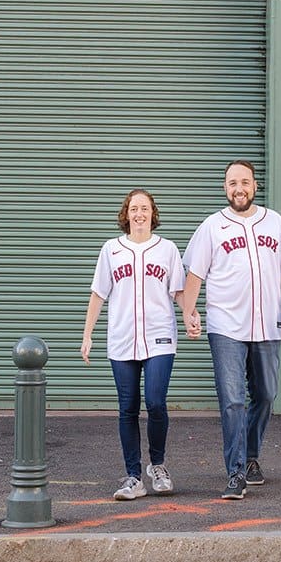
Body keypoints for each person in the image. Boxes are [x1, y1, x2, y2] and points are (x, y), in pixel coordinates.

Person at [181, 159, 281, 500]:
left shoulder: (274, 223)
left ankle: (250, 456)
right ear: (225, 188)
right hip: (226, 327)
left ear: (254, 186)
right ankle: (235, 472)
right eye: (232, 183)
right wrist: (189, 311)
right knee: (232, 400)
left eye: (244, 182)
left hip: (267, 325)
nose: (239, 189)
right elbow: (195, 275)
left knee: (265, 394)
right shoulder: (212, 227)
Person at [81, 188, 186, 500]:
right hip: (122, 338)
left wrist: (191, 315)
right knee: (127, 408)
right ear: (125, 215)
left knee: (155, 402)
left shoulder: (167, 250)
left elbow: (178, 291)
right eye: (133, 208)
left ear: (153, 214)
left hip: (160, 337)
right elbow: (98, 294)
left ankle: (158, 465)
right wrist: (87, 334)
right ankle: (133, 477)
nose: (139, 213)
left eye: (145, 208)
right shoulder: (111, 250)